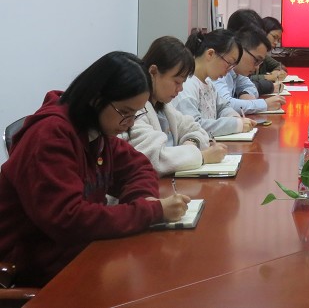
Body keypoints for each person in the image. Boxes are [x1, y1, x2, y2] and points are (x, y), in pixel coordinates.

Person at [0, 52, 190, 286]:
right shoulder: (50, 136)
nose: (130, 123)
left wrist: (143, 200)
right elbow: (70, 220)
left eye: (136, 113)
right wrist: (151, 211)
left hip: (80, 253)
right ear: (95, 99)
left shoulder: (96, 132)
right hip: (34, 270)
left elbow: (138, 167)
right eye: (125, 112)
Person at [125, 37, 228, 176]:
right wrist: (202, 156)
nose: (180, 89)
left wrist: (190, 144)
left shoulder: (164, 108)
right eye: (177, 82)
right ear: (153, 72)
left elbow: (196, 129)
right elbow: (155, 159)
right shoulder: (134, 111)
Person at [172, 29, 256, 137]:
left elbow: (223, 107)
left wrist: (233, 117)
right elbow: (194, 126)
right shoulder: (186, 85)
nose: (229, 71)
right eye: (229, 63)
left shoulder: (208, 83)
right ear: (210, 54)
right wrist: (235, 125)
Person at [214, 25, 285, 114]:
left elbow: (251, 86)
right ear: (241, 50)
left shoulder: (236, 72)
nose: (257, 67)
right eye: (256, 60)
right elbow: (225, 104)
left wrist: (245, 93)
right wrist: (265, 104)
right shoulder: (219, 69)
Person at [249, 16, 288, 90]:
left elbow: (280, 66)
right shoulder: (248, 53)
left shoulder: (264, 55)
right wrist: (268, 77)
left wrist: (276, 73)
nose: (276, 42)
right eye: (274, 37)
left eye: (278, 40)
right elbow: (244, 79)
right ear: (263, 32)